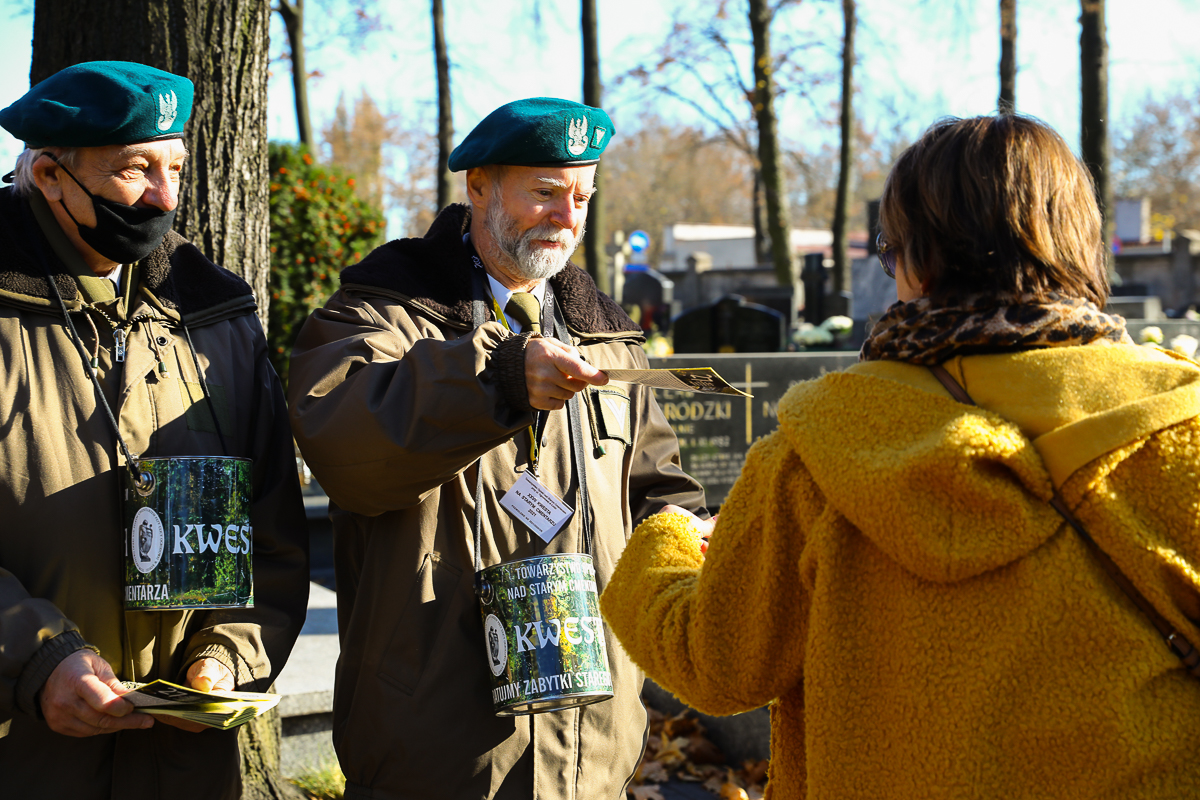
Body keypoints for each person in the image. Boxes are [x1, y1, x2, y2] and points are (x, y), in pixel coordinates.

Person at [601, 114, 1200, 800]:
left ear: (922, 259)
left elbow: (716, 662)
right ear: (1082, 242)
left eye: (891, 254)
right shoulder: (1182, 425)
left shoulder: (822, 448)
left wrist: (663, 540)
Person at [288, 97, 706, 799]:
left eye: (580, 196)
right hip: (433, 743)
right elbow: (345, 445)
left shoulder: (606, 333)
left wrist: (693, 532)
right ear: (477, 186)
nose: (567, 217)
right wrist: (498, 376)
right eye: (544, 192)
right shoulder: (378, 312)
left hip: (590, 747)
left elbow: (656, 486)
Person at [0, 61, 309, 798]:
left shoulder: (219, 317)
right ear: (49, 175)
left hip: (181, 769)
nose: (166, 197)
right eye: (136, 170)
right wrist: (34, 657)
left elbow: (270, 529)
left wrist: (224, 657)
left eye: (175, 166)